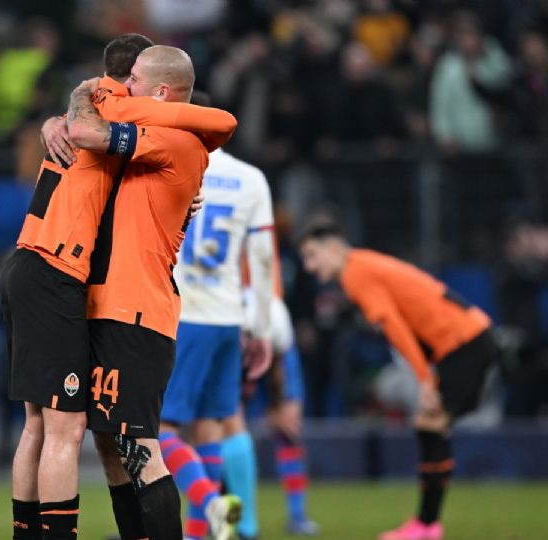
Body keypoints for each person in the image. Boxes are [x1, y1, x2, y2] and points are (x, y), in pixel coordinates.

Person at [3, 35, 237, 540]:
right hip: (93, 300)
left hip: (138, 313)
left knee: (136, 445)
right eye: (120, 83)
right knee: (105, 445)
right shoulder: (128, 138)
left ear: (159, 94)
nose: (120, 91)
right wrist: (59, 120)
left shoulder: (174, 140)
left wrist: (81, 97)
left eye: (131, 85)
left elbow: (217, 123)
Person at [298, 219, 496, 540]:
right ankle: (427, 523)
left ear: (334, 248)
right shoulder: (364, 264)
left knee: (431, 424)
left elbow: (392, 324)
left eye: (312, 255)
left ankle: (427, 525)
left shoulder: (354, 273)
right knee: (430, 425)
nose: (309, 266)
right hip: (468, 338)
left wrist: (425, 379)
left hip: (464, 343)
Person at [157, 145, 274, 540]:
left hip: (186, 316)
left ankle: (212, 503)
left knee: (160, 430)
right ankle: (200, 533)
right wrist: (260, 328)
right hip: (229, 318)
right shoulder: (250, 177)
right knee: (211, 425)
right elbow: (262, 258)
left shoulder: (171, 163)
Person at [241, 292, 319, 537]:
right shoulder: (237, 330)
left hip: (268, 371)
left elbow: (291, 405)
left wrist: (281, 413)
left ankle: (298, 516)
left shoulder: (282, 338)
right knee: (224, 436)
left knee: (290, 433)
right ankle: (223, 512)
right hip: (238, 366)